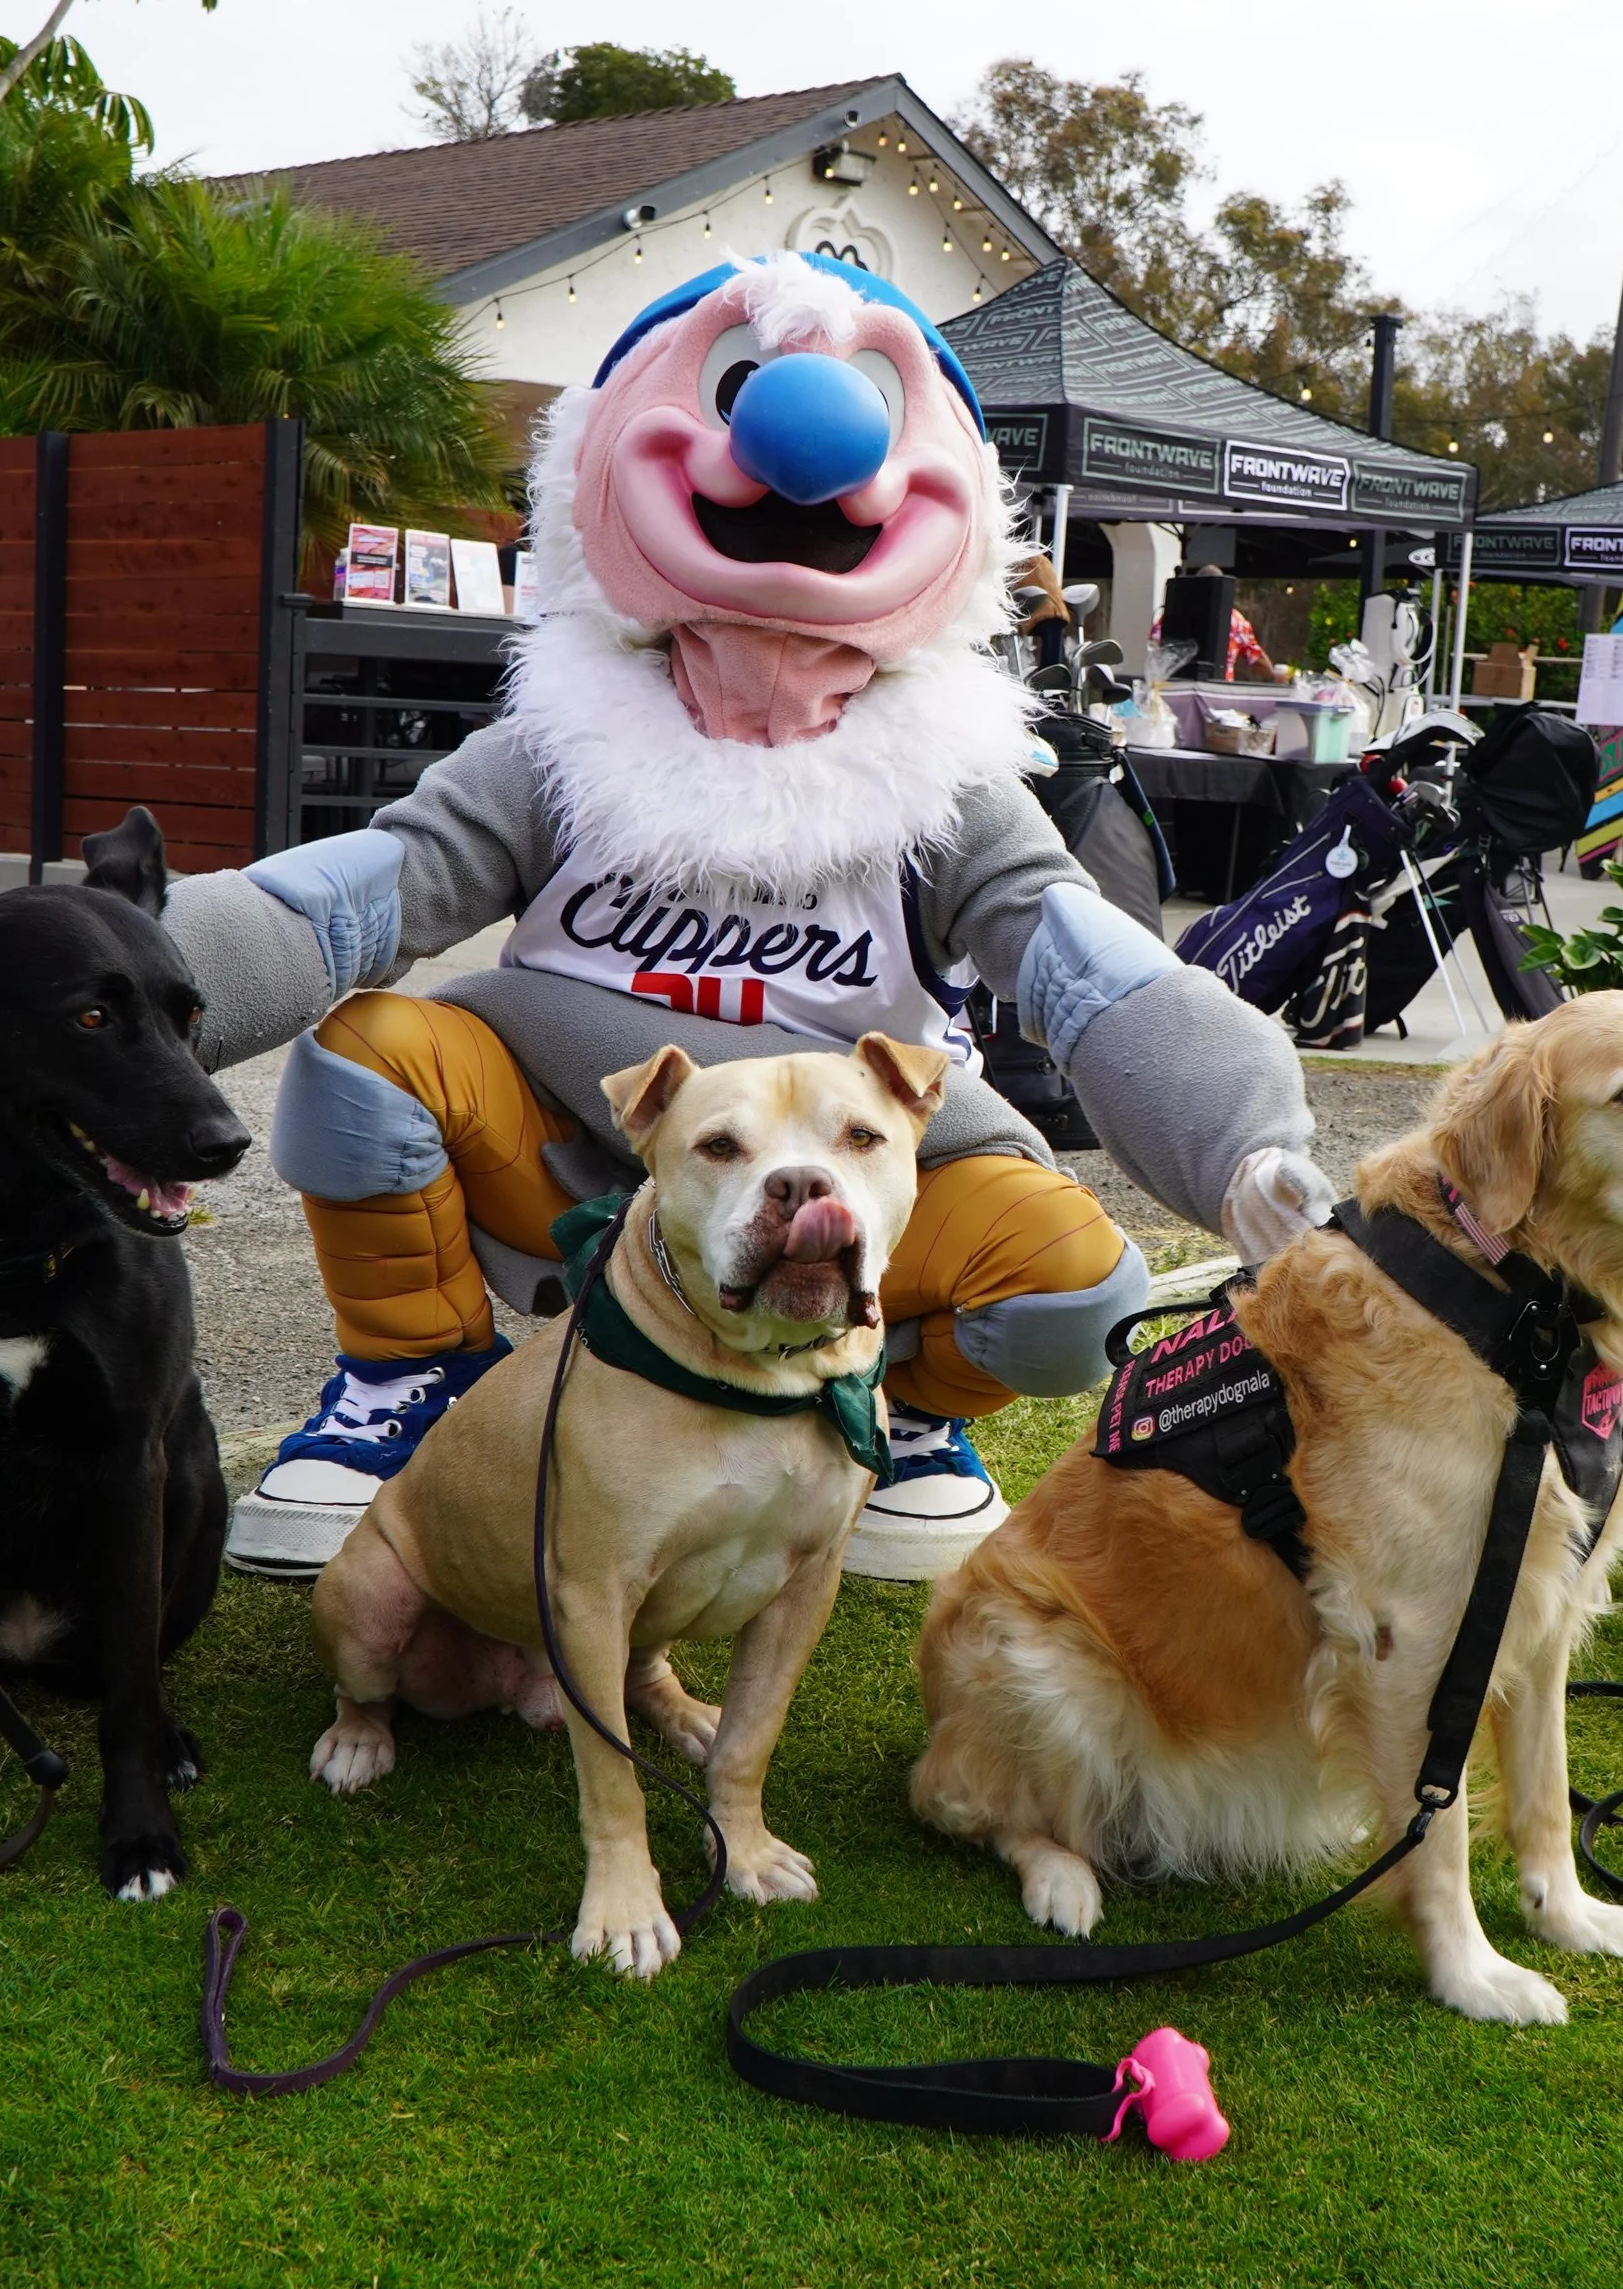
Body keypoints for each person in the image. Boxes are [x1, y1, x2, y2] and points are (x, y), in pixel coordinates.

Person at [158, 253, 1333, 1586]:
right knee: (366, 1056)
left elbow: (1091, 971)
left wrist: (1243, 1140)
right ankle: (415, 1378)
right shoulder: (558, 750)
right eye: (741, 391)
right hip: (586, 1170)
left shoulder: (945, 786)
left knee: (1078, 1287)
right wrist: (97, 994)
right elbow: (354, 897)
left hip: (853, 1188)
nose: (800, 437)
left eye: (860, 404)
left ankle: (893, 1404)